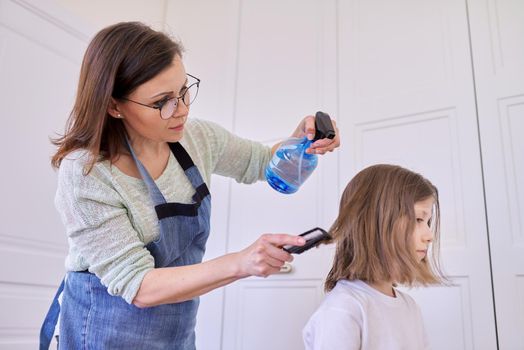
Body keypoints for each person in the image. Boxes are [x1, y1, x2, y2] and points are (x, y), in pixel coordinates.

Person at [39, 21, 340, 349]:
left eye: (184, 91)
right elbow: (140, 287)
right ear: (114, 106)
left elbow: (261, 163)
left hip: (176, 332)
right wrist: (241, 262)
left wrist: (299, 143)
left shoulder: (197, 138)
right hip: (102, 331)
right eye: (162, 101)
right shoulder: (86, 175)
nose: (182, 110)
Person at [302, 164, 446, 350]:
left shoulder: (410, 307)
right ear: (375, 222)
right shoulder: (343, 310)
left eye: (428, 222)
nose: (429, 235)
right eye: (419, 219)